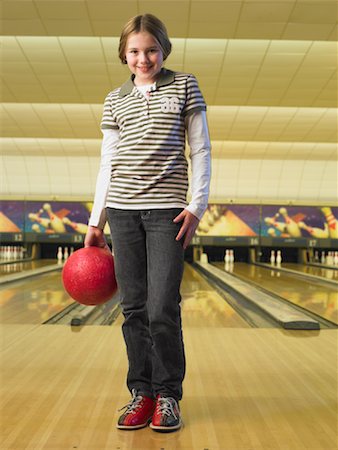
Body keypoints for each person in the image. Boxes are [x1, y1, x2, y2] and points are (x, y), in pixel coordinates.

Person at [84, 13, 211, 433]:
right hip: (121, 211)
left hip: (167, 211)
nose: (144, 58)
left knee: (161, 308)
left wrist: (197, 205)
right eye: (135, 51)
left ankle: (169, 395)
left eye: (151, 49)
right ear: (124, 54)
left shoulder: (185, 86)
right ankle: (142, 392)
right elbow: (108, 163)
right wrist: (95, 219)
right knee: (134, 308)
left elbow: (201, 149)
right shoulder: (114, 99)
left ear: (164, 50)